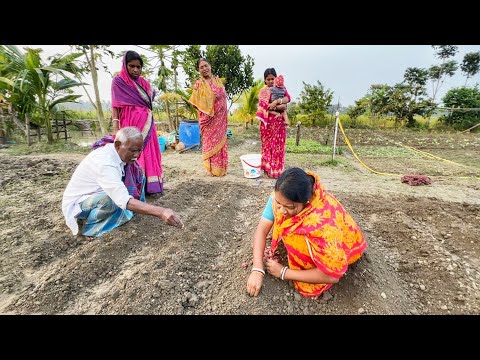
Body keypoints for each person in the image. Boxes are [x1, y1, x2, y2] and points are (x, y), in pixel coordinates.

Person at [246, 167, 367, 298]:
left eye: (289, 207)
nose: (281, 211)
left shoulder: (323, 227)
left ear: (306, 202)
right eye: (278, 203)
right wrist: (257, 268)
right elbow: (262, 228)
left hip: (339, 247)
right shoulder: (282, 195)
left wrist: (283, 272)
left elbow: (331, 276)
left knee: (299, 238)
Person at [62, 127, 183, 238]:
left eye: (139, 151)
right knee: (113, 201)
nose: (136, 155)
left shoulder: (119, 156)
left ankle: (128, 212)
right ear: (118, 145)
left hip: (99, 194)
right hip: (80, 203)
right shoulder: (105, 162)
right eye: (133, 151)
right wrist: (161, 212)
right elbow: (122, 199)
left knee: (139, 176)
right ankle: (88, 229)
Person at [111, 50, 164, 195]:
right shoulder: (118, 81)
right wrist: (116, 128)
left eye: (138, 67)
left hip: (147, 122)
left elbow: (150, 98)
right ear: (125, 65)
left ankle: (150, 186)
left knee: (148, 153)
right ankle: (133, 186)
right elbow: (115, 106)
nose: (135, 70)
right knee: (132, 152)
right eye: (131, 66)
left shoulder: (144, 83)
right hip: (129, 123)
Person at [188, 58, 228, 176]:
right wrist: (207, 111)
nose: (204, 69)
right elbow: (195, 102)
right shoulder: (199, 84)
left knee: (220, 143)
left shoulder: (217, 81)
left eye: (206, 66)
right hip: (208, 120)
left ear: (210, 66)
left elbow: (223, 97)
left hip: (220, 119)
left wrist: (218, 111)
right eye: (201, 67)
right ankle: (211, 169)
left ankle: (220, 168)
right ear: (198, 70)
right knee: (209, 143)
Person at [255, 68, 291, 179]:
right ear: (265, 80)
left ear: (276, 79)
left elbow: (288, 98)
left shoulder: (281, 88)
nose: (270, 81)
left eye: (272, 78)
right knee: (267, 147)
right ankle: (266, 171)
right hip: (267, 125)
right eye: (268, 79)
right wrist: (279, 107)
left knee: (278, 146)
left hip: (279, 124)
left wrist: (276, 102)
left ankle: (276, 172)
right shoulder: (263, 91)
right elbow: (264, 106)